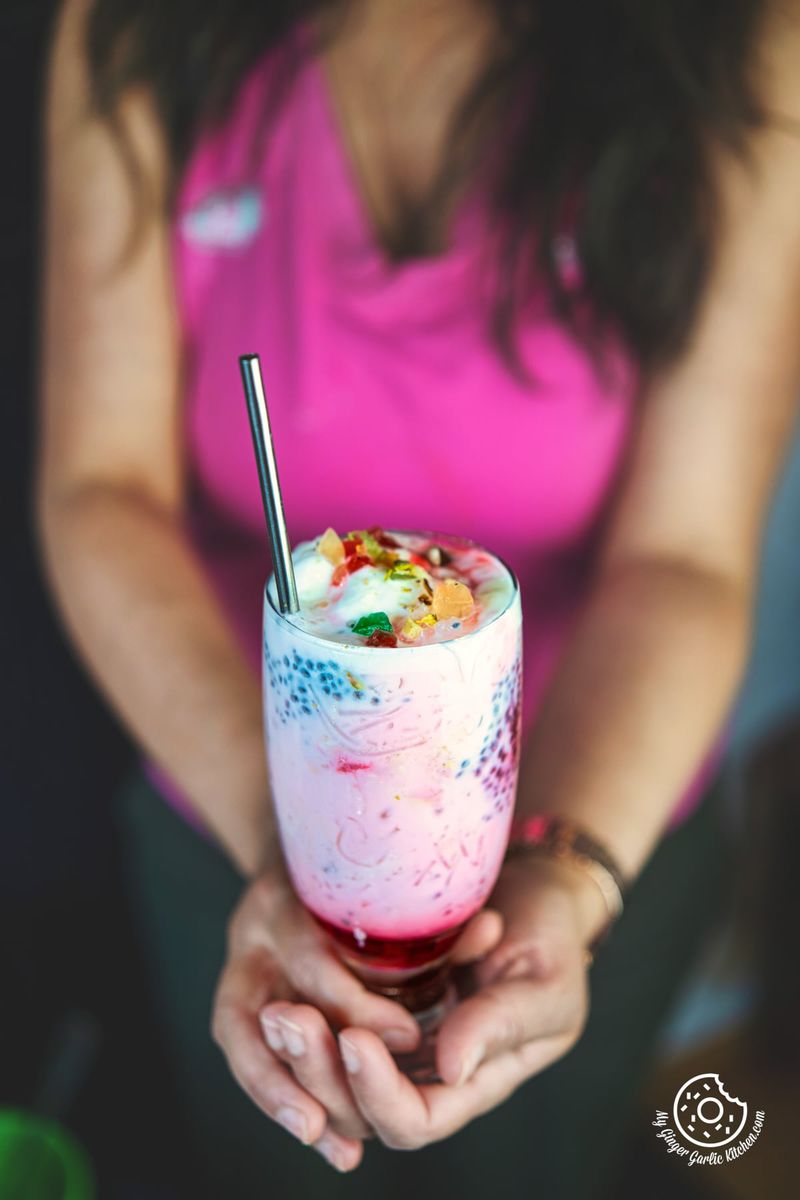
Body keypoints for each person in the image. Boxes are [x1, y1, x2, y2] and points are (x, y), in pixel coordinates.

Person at [38, 0, 800, 1196]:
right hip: (235, 823)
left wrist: (565, 874)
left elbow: (685, 560)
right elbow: (97, 489)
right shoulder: (136, 28)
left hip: (589, 814)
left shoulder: (744, 46)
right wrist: (281, 853)